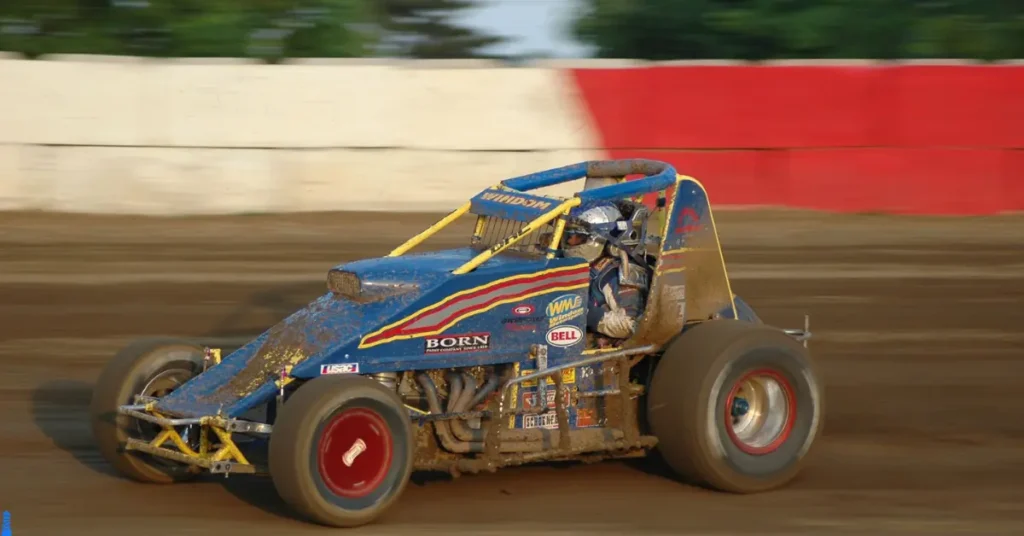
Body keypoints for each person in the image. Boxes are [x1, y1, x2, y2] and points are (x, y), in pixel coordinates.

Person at [561, 203, 650, 347]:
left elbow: (632, 325)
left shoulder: (616, 274)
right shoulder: (583, 265)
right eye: (569, 235)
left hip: (600, 352)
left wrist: (584, 312)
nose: (571, 241)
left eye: (578, 237)